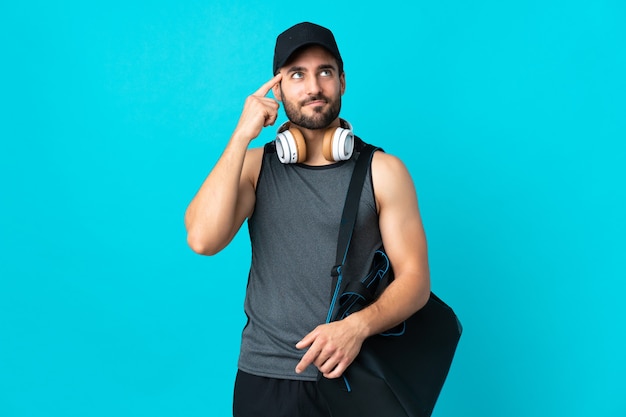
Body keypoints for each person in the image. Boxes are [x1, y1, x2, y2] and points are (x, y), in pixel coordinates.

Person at [184, 22, 431, 417]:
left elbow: (416, 281)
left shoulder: (384, 172)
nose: (313, 86)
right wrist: (241, 136)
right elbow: (202, 239)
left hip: (352, 377)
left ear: (342, 82)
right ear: (278, 89)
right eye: (297, 74)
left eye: (325, 72)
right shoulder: (253, 168)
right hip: (264, 380)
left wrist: (358, 327)